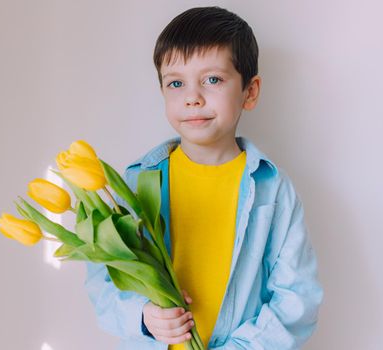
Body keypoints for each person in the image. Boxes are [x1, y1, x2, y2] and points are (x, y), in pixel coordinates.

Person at [84, 6, 323, 350]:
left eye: (212, 80)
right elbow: (103, 279)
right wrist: (143, 316)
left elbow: (297, 299)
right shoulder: (137, 183)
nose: (193, 98)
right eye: (176, 83)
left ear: (250, 92)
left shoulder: (272, 189)